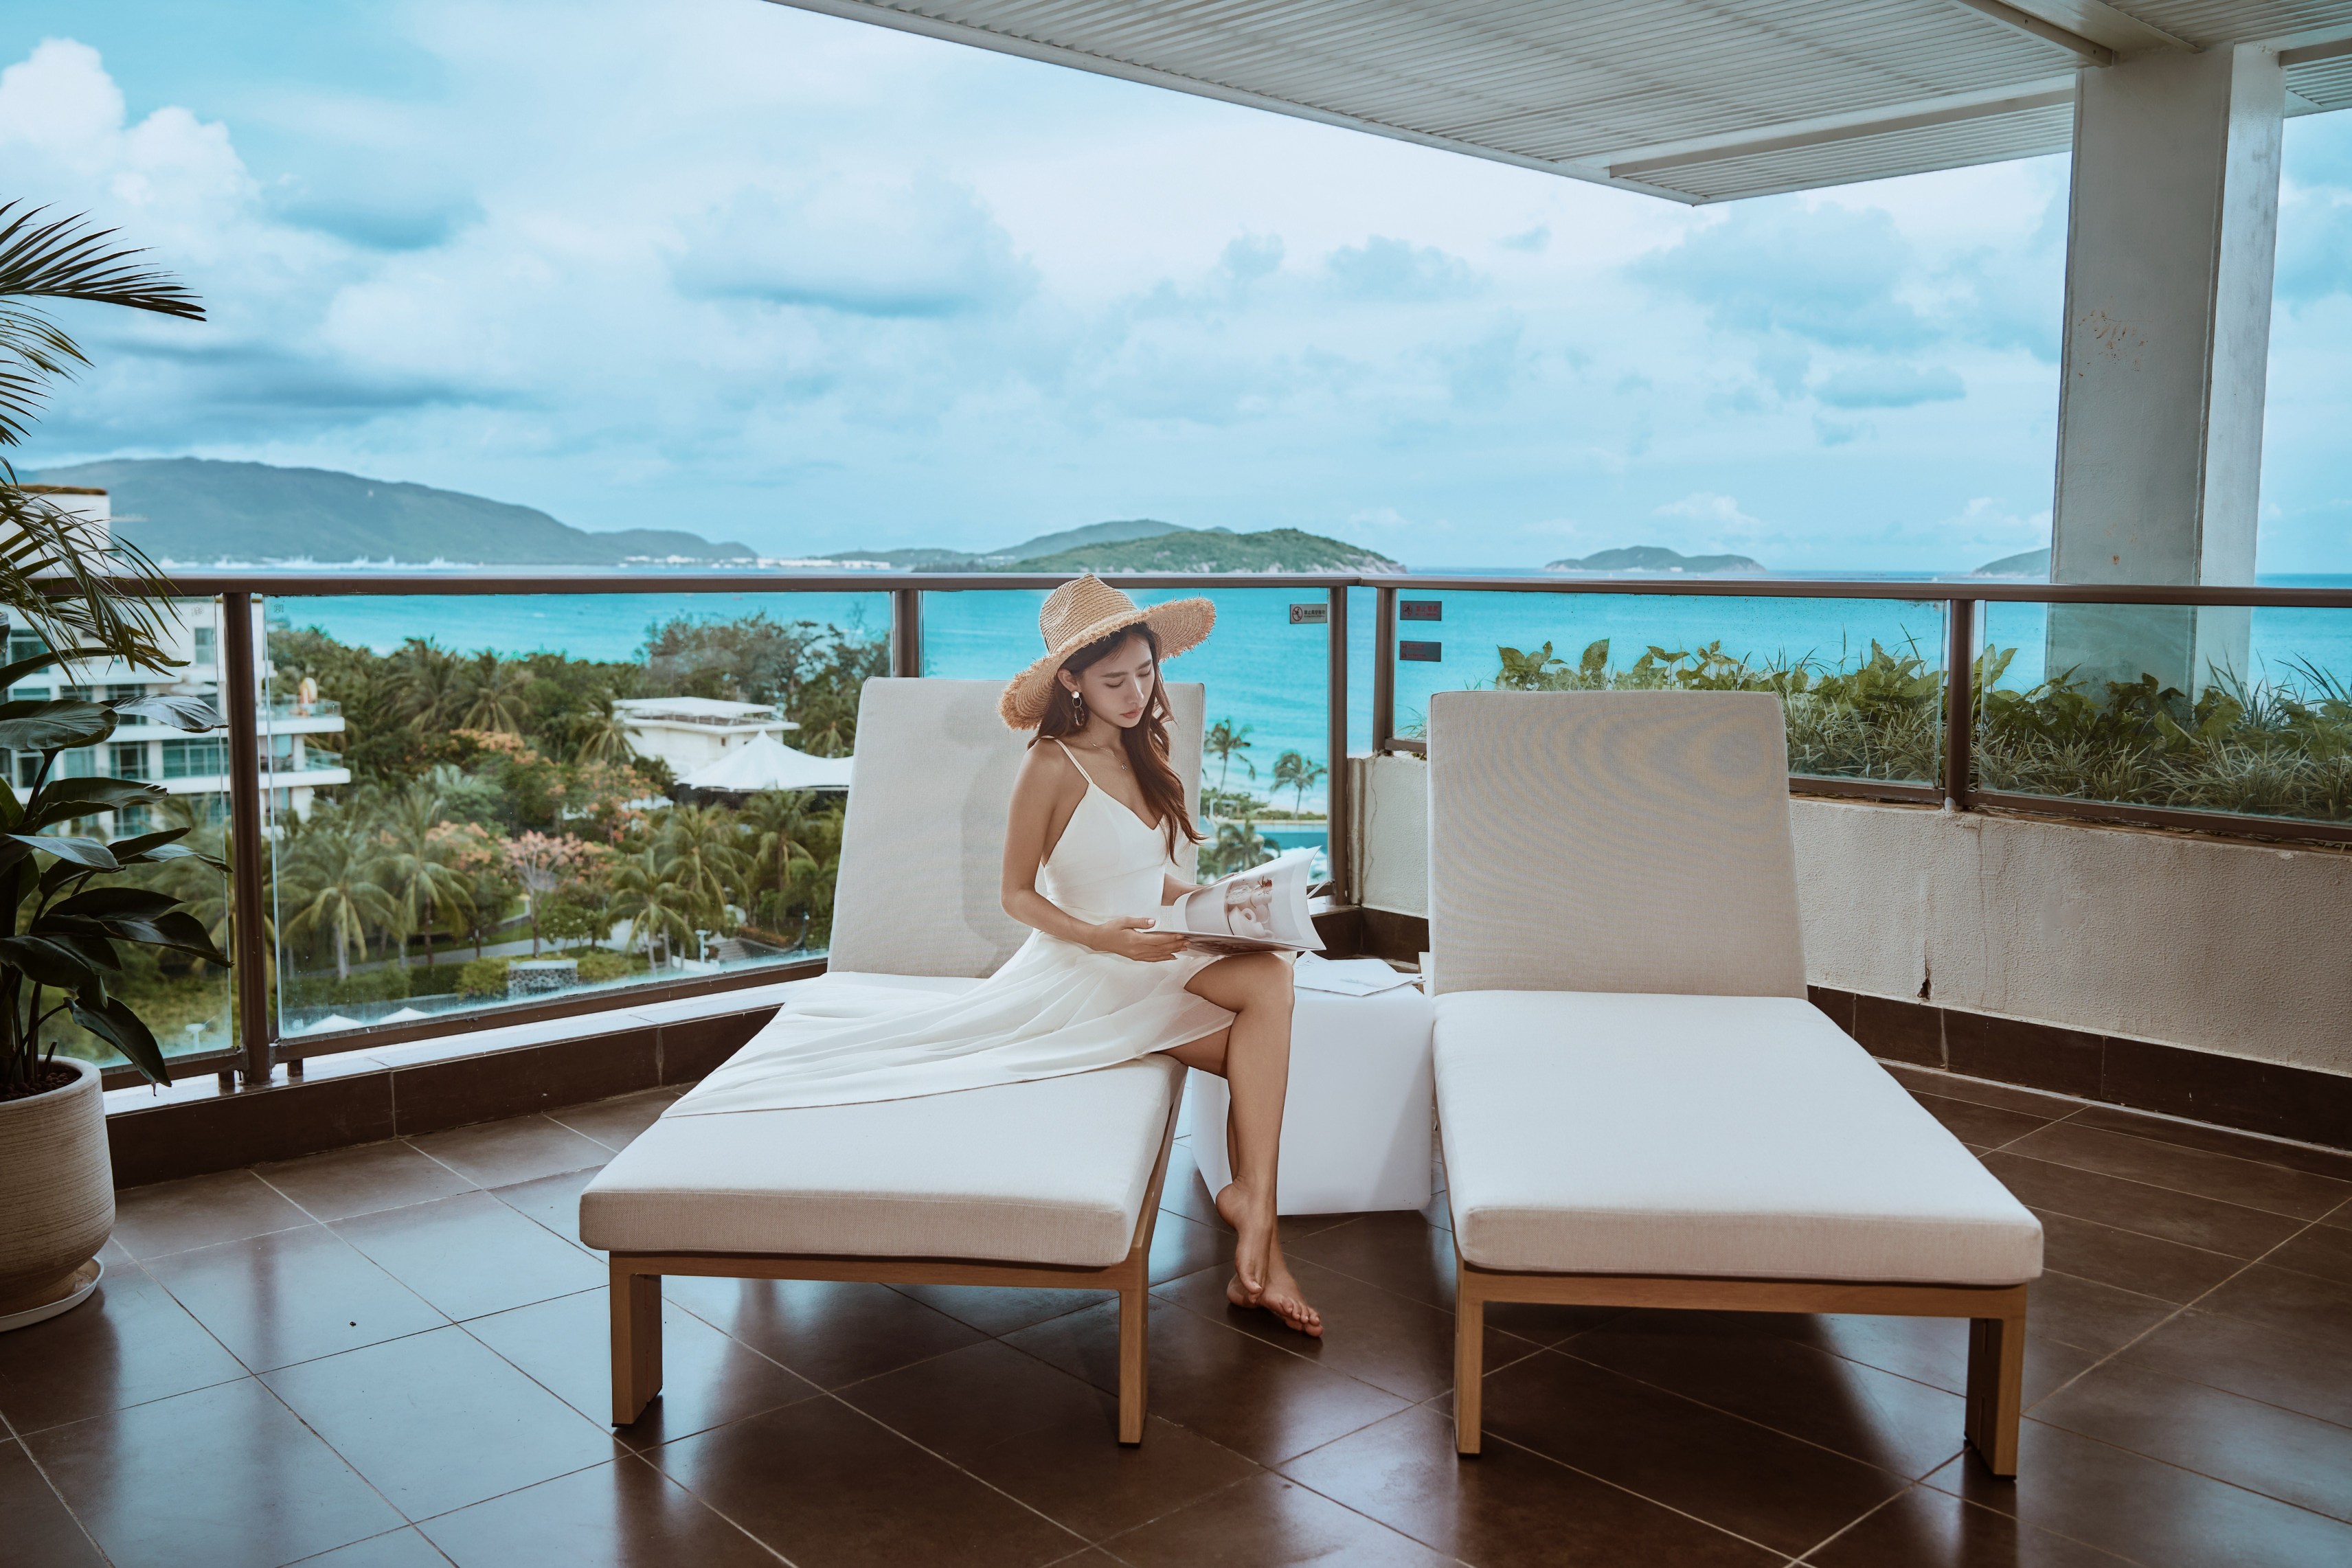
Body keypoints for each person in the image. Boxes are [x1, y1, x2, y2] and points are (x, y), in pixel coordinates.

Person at [669, 576, 1320, 1336]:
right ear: (1072, 681)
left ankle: (1254, 1211)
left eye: (1145, 672)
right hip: (1086, 966)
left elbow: (1151, 874)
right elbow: (1016, 895)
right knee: (1262, 1013)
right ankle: (1259, 1229)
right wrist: (1104, 938)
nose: (1135, 692)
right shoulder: (1051, 764)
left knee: (1269, 974)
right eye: (1113, 679)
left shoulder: (1147, 748)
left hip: (1149, 951)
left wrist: (1227, 909)